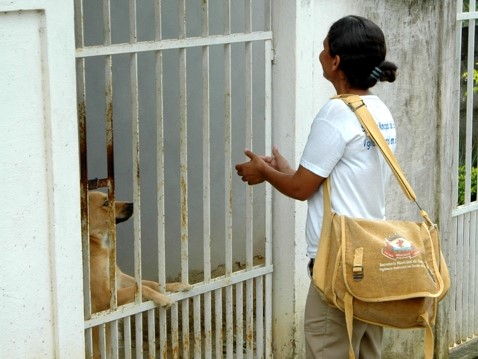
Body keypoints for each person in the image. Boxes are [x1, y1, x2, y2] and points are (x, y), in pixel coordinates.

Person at [235, 15, 398, 358]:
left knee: (328, 348)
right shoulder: (379, 110)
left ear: (336, 61)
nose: (320, 54)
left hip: (338, 263)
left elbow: (300, 189)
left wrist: (264, 172)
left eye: (325, 49)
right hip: (371, 257)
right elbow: (331, 180)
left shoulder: (335, 114)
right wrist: (288, 171)